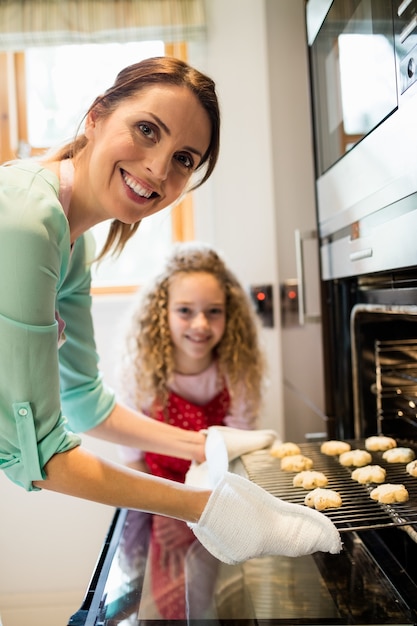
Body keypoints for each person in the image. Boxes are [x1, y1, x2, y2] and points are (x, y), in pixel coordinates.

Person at [0, 56, 341, 565]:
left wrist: (203, 445)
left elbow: (83, 403)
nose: (159, 169)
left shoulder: (76, 244)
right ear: (96, 116)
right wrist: (207, 508)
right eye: (145, 130)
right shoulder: (28, 219)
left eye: (184, 158)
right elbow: (37, 457)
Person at [117, 240, 268, 482]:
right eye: (185, 311)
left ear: (230, 314)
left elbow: (240, 450)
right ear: (161, 313)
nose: (201, 324)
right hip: (157, 492)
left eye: (214, 311)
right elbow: (132, 454)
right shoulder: (142, 373)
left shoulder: (236, 371)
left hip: (219, 491)